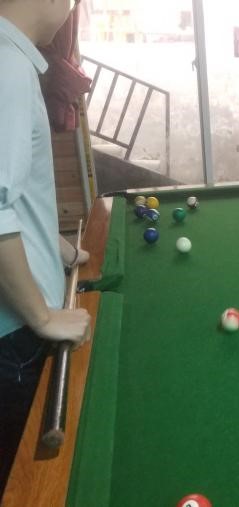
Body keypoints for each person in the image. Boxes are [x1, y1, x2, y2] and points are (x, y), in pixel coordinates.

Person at [0, 0, 90, 495]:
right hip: (15, 335)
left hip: (17, 325)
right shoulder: (7, 69)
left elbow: (11, 196)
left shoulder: (12, 58)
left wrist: (50, 243)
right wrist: (42, 316)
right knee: (29, 487)